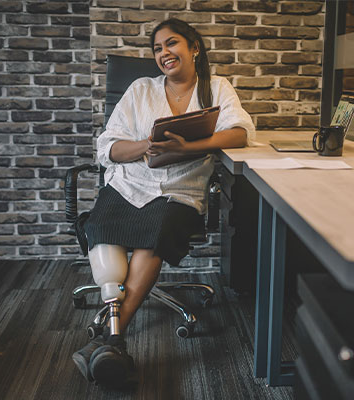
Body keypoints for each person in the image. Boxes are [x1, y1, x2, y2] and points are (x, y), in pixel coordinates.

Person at [72, 18, 255, 388]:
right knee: (101, 225)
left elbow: (240, 133)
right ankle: (113, 345)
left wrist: (189, 148)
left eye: (172, 44)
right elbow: (107, 147)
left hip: (179, 193)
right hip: (128, 185)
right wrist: (147, 147)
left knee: (155, 235)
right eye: (157, 48)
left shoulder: (216, 88)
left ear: (194, 48)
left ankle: (108, 339)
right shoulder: (140, 90)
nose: (164, 53)